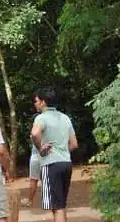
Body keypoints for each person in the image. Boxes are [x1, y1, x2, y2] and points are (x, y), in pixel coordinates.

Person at [30, 88, 78, 222]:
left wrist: (40, 148)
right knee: (60, 205)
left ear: (43, 102)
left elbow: (34, 134)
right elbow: (74, 144)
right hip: (66, 164)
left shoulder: (41, 118)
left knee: (57, 207)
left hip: (50, 165)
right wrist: (62, 152)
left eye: (37, 101)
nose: (35, 104)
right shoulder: (65, 118)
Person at [22, 118, 42, 207]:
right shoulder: (48, 129)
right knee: (46, 179)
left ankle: (30, 201)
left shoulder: (35, 130)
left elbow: (33, 136)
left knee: (34, 180)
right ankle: (50, 200)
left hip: (36, 157)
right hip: (46, 156)